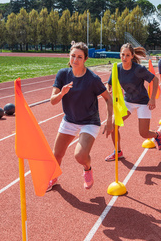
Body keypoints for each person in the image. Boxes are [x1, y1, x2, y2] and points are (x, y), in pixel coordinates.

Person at [47, 42, 113, 191]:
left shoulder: (92, 79)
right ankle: (53, 177)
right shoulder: (63, 74)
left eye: (79, 57)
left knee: (80, 156)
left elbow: (108, 98)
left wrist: (109, 121)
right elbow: (52, 101)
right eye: (73, 56)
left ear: (85, 59)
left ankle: (87, 168)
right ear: (69, 56)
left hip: (89, 121)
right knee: (56, 154)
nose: (75, 60)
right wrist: (62, 93)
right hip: (70, 119)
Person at [105, 43, 161, 161]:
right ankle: (118, 152)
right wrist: (108, 90)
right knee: (113, 124)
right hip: (127, 102)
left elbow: (155, 79)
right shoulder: (117, 68)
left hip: (142, 102)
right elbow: (109, 83)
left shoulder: (138, 69)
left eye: (127, 55)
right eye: (123, 55)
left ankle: (157, 135)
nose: (124, 58)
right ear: (120, 55)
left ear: (132, 56)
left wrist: (152, 98)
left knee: (144, 134)